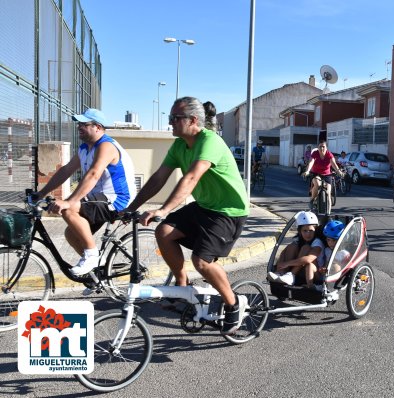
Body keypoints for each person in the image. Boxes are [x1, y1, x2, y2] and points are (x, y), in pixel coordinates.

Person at [125, 97, 250, 335]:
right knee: (164, 232)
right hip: (205, 207)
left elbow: (191, 178)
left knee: (202, 261)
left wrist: (163, 210)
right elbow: (158, 178)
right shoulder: (180, 145)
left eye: (175, 118)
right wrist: (132, 207)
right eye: (170, 118)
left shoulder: (209, 141)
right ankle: (183, 287)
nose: (170, 122)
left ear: (193, 121)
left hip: (228, 212)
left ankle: (233, 304)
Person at [34, 108, 137, 276]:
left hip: (118, 199)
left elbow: (94, 174)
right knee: (71, 234)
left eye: (84, 124)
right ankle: (99, 271)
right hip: (99, 198)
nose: (79, 127)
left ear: (97, 127)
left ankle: (91, 255)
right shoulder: (84, 148)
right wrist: (42, 193)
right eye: (79, 124)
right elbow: (66, 171)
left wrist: (69, 201)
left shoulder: (106, 145)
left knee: (69, 209)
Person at [267, 211, 324, 289]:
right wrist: (281, 266)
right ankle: (281, 273)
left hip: (314, 274)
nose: (308, 234)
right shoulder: (298, 239)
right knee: (292, 246)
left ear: (316, 230)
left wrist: (287, 263)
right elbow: (284, 252)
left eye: (311, 231)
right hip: (301, 270)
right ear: (300, 231)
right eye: (305, 231)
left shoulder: (317, 242)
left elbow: (308, 259)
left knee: (306, 247)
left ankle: (291, 275)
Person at [302, 141, 344, 208]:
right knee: (317, 184)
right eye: (320, 147)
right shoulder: (315, 153)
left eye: (323, 146)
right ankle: (312, 199)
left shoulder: (329, 154)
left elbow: (334, 164)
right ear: (318, 148)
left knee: (328, 193)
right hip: (316, 174)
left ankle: (328, 213)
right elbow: (311, 162)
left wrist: (339, 171)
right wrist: (307, 171)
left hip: (327, 175)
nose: (322, 148)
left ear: (326, 148)